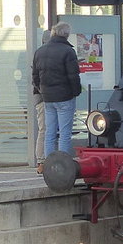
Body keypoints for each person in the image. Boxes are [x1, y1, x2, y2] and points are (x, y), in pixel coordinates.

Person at [32, 22, 81, 162]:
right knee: (65, 134)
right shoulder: (68, 51)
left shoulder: (40, 51)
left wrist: (43, 91)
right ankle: (63, 163)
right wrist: (75, 92)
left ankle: (49, 164)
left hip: (47, 98)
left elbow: (35, 77)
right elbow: (73, 76)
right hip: (65, 97)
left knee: (49, 133)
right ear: (66, 35)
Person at [31, 28, 51, 172]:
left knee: (44, 129)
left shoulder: (38, 54)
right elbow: (36, 79)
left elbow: (34, 79)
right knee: (45, 128)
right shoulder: (45, 55)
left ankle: (42, 161)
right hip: (45, 97)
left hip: (42, 97)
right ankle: (42, 160)